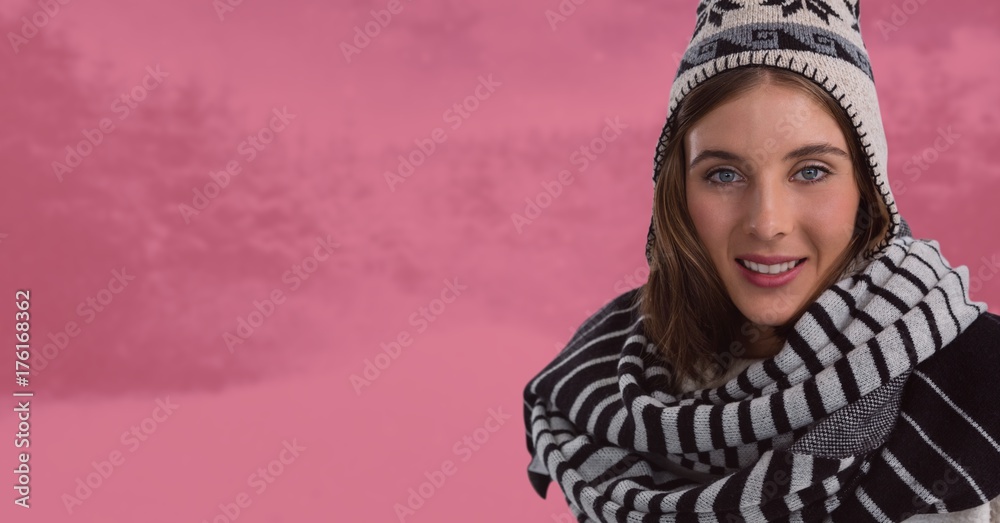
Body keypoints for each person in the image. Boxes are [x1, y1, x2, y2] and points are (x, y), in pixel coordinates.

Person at [521, 1, 1000, 521]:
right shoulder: (594, 384)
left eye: (811, 171)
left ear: (868, 188)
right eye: (724, 174)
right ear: (678, 193)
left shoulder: (980, 384)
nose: (767, 222)